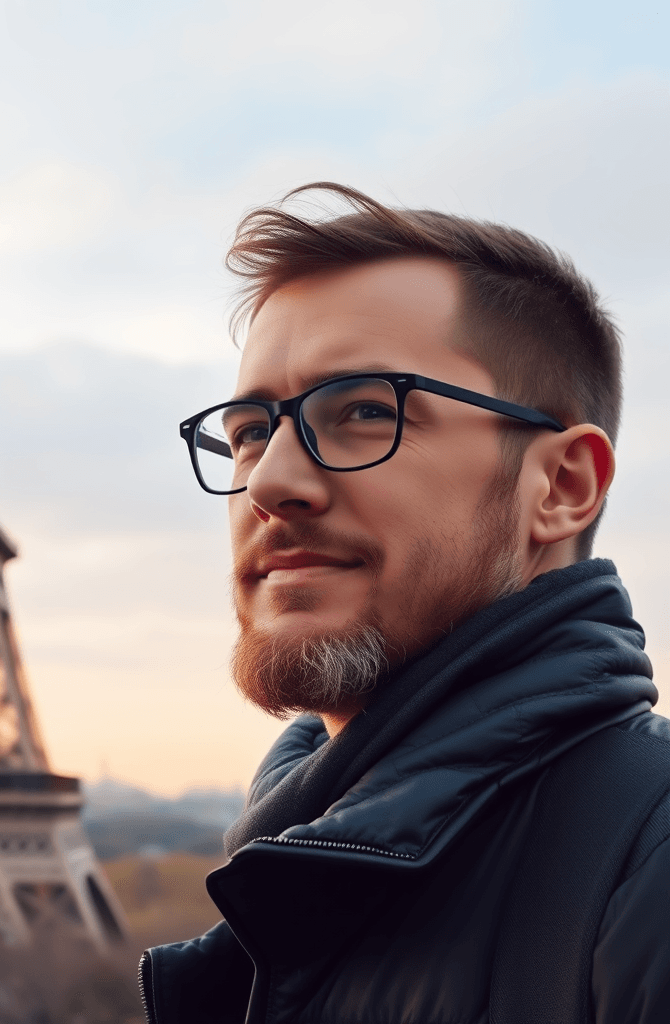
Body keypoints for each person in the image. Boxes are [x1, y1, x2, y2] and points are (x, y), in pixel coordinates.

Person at [139, 183, 669, 1023]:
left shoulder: (650, 866)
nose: (270, 480)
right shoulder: (296, 862)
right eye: (248, 432)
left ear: (562, 486)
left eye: (360, 411)